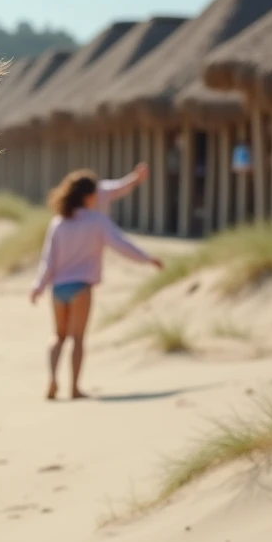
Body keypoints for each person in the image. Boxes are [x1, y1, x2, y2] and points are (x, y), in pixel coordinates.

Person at [30, 170, 164, 401]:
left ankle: (53, 379)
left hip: (58, 289)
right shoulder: (97, 221)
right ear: (88, 196)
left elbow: (48, 260)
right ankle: (74, 389)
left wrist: (37, 287)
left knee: (58, 337)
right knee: (78, 339)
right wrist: (147, 258)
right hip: (81, 287)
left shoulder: (58, 223)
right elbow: (122, 245)